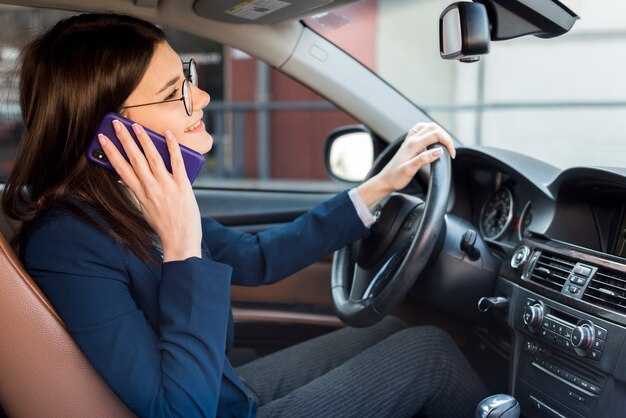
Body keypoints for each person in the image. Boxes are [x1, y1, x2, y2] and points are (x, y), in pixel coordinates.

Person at [3, 13, 488, 418]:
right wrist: (183, 248)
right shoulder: (67, 246)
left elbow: (257, 257)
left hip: (228, 396)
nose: (203, 98)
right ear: (108, 133)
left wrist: (378, 187)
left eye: (186, 76)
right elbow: (178, 411)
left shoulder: (140, 203)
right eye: (176, 92)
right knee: (431, 355)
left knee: (393, 330)